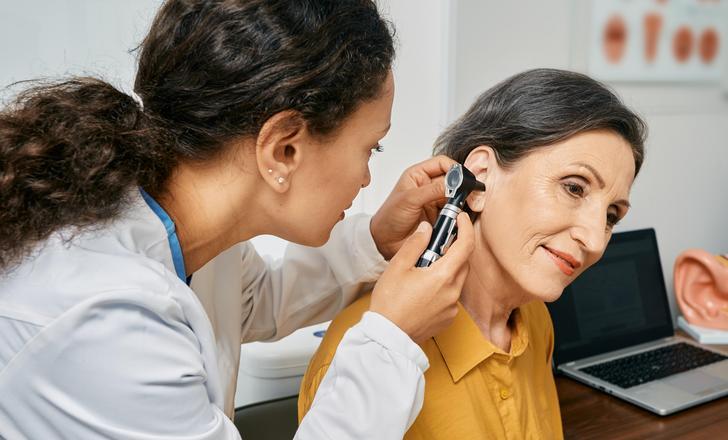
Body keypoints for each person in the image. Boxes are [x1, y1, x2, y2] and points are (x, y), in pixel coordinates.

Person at [0, 1, 474, 438]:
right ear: (283, 148)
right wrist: (392, 339)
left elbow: (251, 302)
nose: (368, 177)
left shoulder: (186, 230)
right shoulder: (105, 321)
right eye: (372, 146)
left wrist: (374, 240)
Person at [299, 68, 647, 439]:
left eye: (611, 216)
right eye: (574, 188)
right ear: (481, 177)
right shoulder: (362, 355)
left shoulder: (535, 320)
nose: (595, 239)